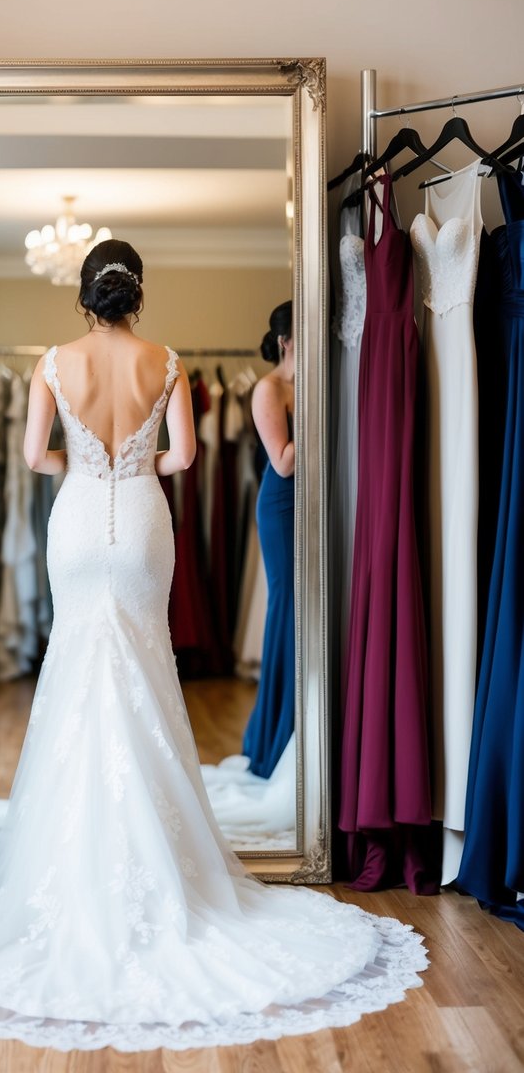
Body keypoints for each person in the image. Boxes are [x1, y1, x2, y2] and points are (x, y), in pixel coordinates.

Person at [0, 241, 427, 1051]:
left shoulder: (53, 361)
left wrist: (85, 467)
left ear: (85, 298)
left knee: (79, 670)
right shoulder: (166, 361)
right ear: (137, 296)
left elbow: (30, 457)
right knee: (146, 672)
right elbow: (185, 458)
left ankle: (70, 855)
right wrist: (135, 463)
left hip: (80, 520)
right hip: (144, 524)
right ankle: (162, 854)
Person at [242, 301, 296, 779]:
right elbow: (283, 460)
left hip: (315, 502)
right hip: (282, 506)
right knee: (288, 606)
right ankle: (274, 736)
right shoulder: (268, 388)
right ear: (285, 342)